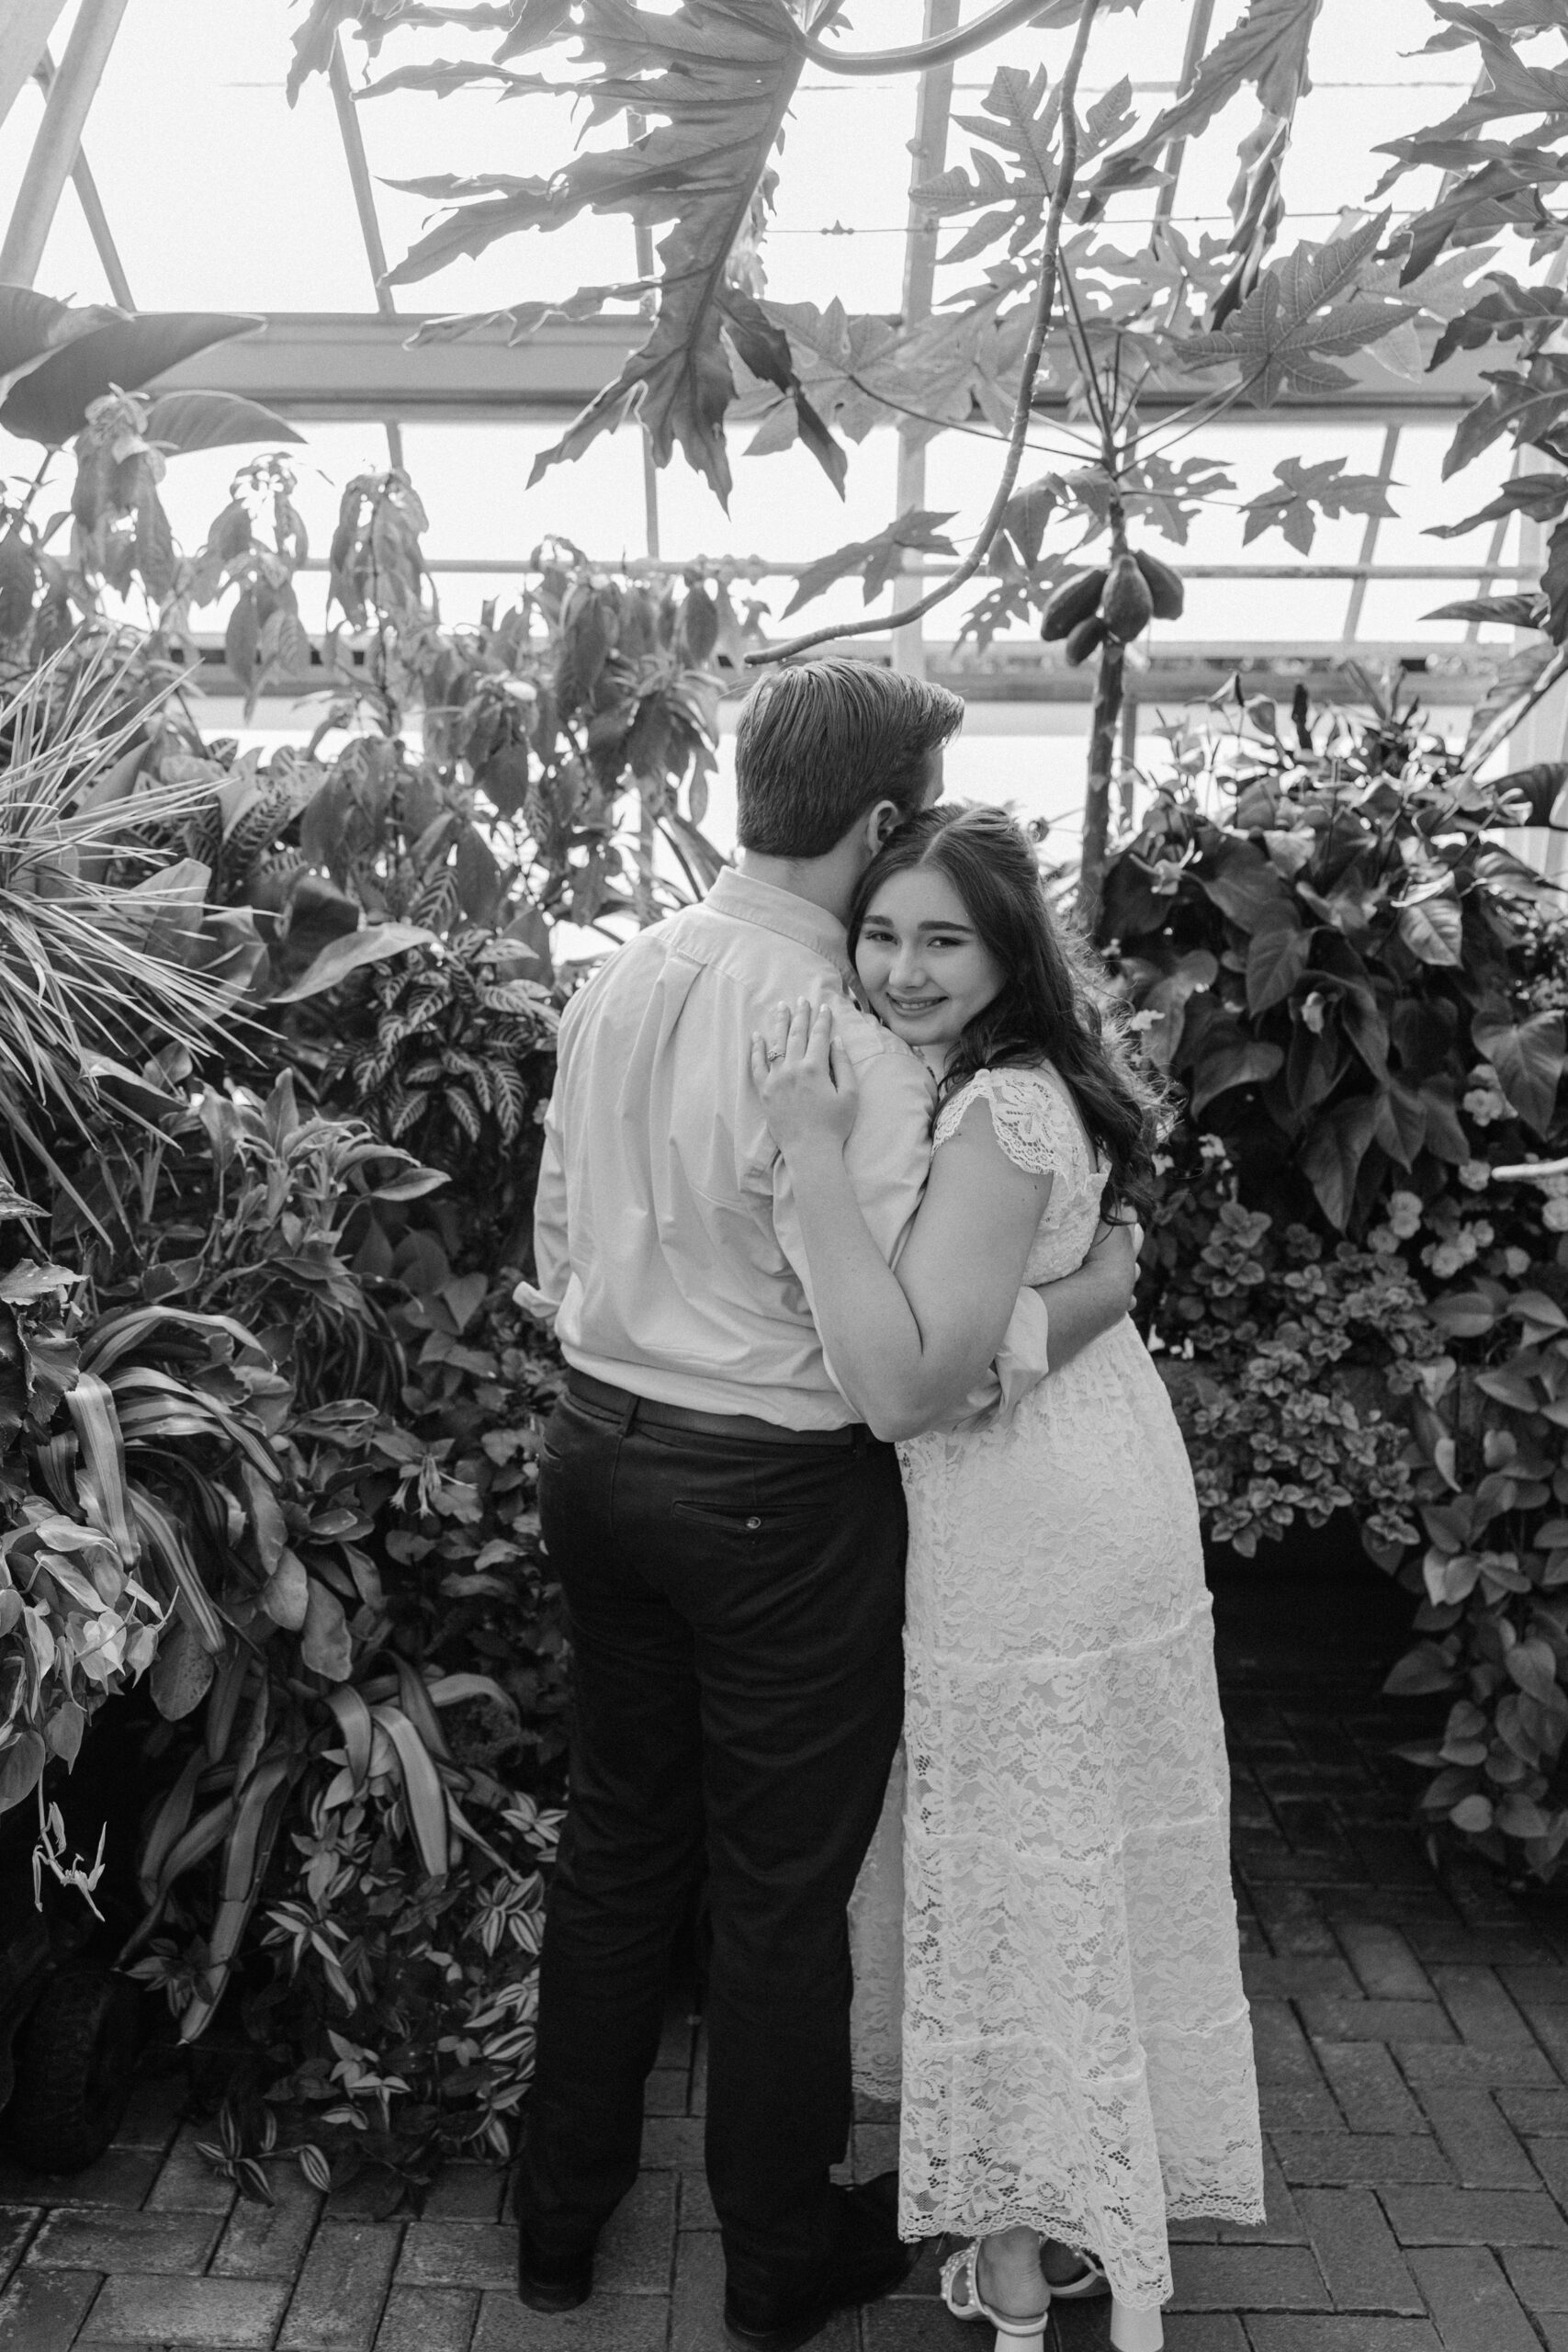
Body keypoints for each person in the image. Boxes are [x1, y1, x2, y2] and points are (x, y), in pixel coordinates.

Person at [517, 662, 1141, 2352]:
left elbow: (555, 1247)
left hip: (595, 1450)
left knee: (619, 1836)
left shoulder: (624, 972)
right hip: (775, 1494)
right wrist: (1088, 1301)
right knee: (780, 1893)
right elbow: (902, 1362)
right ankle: (781, 2261)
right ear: (880, 824)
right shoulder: (854, 1044)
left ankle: (556, 2224)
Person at [751, 803, 1265, 2352]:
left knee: (1018, 1860)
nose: (903, 968)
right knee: (1074, 1849)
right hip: (1088, 1476)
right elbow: (1082, 1276)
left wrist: (809, 1158)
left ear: (1009, 948)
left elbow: (909, 1385)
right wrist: (1065, 1316)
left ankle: (1030, 2261)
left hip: (1023, 1510)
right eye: (883, 931)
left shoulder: (996, 1112)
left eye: (943, 939)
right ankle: (1080, 2208)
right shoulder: (1017, 1080)